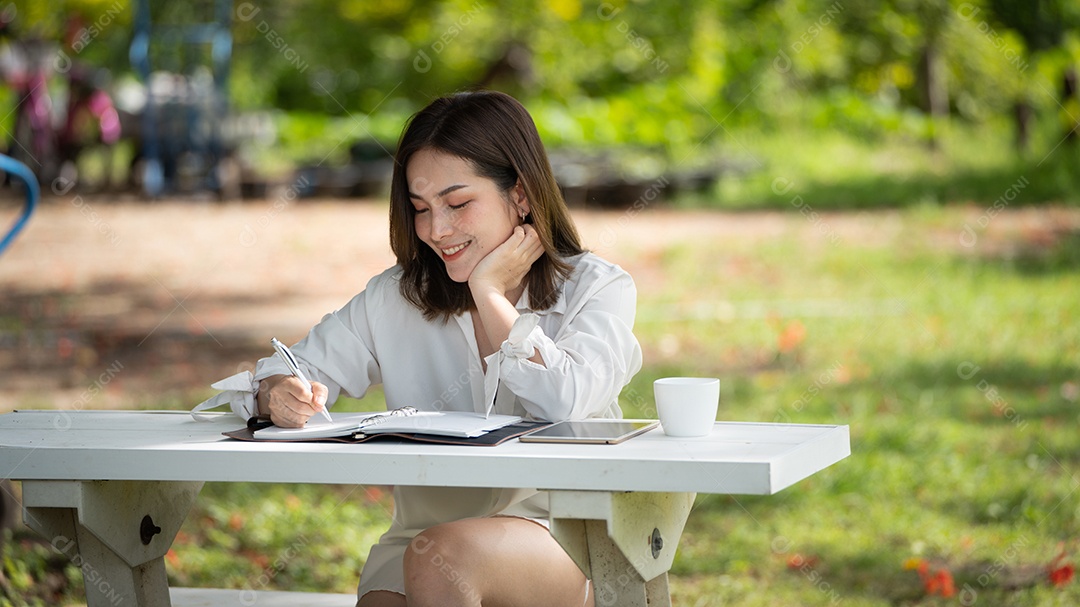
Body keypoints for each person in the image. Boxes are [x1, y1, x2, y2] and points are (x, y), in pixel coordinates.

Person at [196, 90, 642, 606]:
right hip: (419, 541)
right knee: (411, 578)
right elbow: (286, 369)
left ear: (520, 194)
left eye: (457, 204)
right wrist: (278, 393)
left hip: (564, 536)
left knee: (445, 559)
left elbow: (565, 398)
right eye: (420, 208)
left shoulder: (597, 288)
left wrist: (490, 294)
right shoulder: (396, 296)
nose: (436, 229)